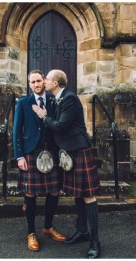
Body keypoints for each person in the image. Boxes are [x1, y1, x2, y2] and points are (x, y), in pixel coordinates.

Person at [32, 69, 101, 258]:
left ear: (55, 84)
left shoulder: (69, 98)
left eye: (46, 79)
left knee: (88, 196)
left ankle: (95, 241)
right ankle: (82, 231)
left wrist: (43, 116)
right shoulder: (56, 99)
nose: (44, 81)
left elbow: (61, 125)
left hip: (78, 150)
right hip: (68, 151)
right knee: (78, 195)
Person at [12, 70, 67, 252]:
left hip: (51, 152)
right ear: (29, 84)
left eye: (38, 81)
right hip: (31, 153)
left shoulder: (53, 101)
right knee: (30, 194)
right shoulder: (23, 103)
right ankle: (31, 232)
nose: (36, 84)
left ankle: (48, 227)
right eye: (32, 82)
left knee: (54, 191)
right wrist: (19, 156)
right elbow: (16, 131)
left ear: (44, 81)